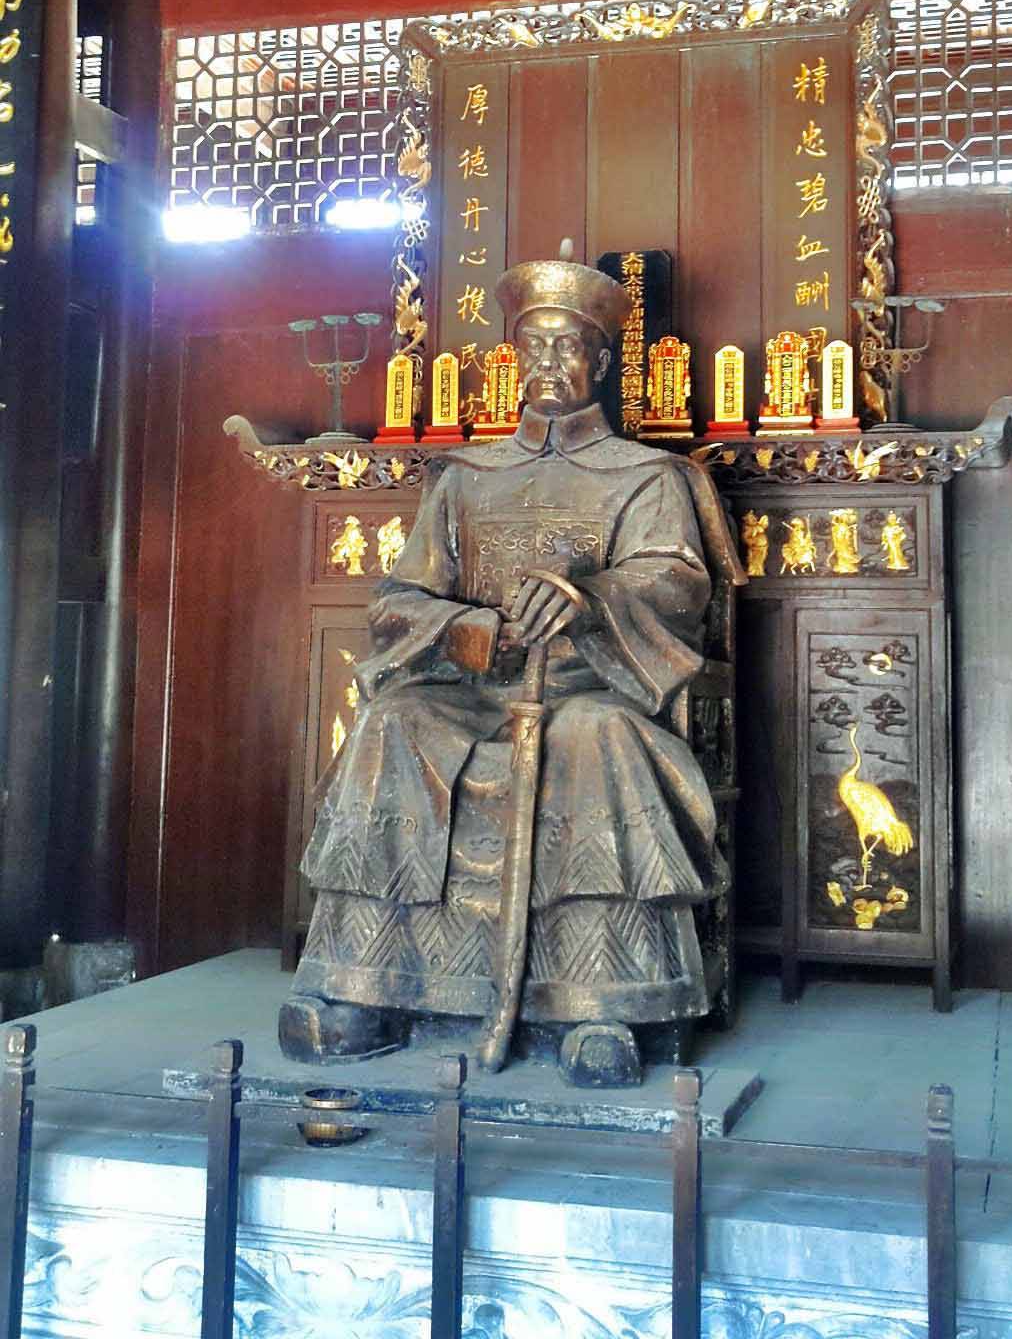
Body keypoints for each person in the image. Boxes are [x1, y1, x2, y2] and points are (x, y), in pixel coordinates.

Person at [279, 250, 744, 1084]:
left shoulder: (648, 478)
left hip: (591, 692)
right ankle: (366, 984)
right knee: (395, 724)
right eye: (534, 347)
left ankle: (601, 1002)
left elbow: (675, 584)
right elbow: (397, 601)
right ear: (513, 359)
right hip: (472, 692)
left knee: (593, 739)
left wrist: (591, 599)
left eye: (569, 347)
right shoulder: (465, 480)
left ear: (600, 360)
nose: (550, 363)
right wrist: (470, 630)